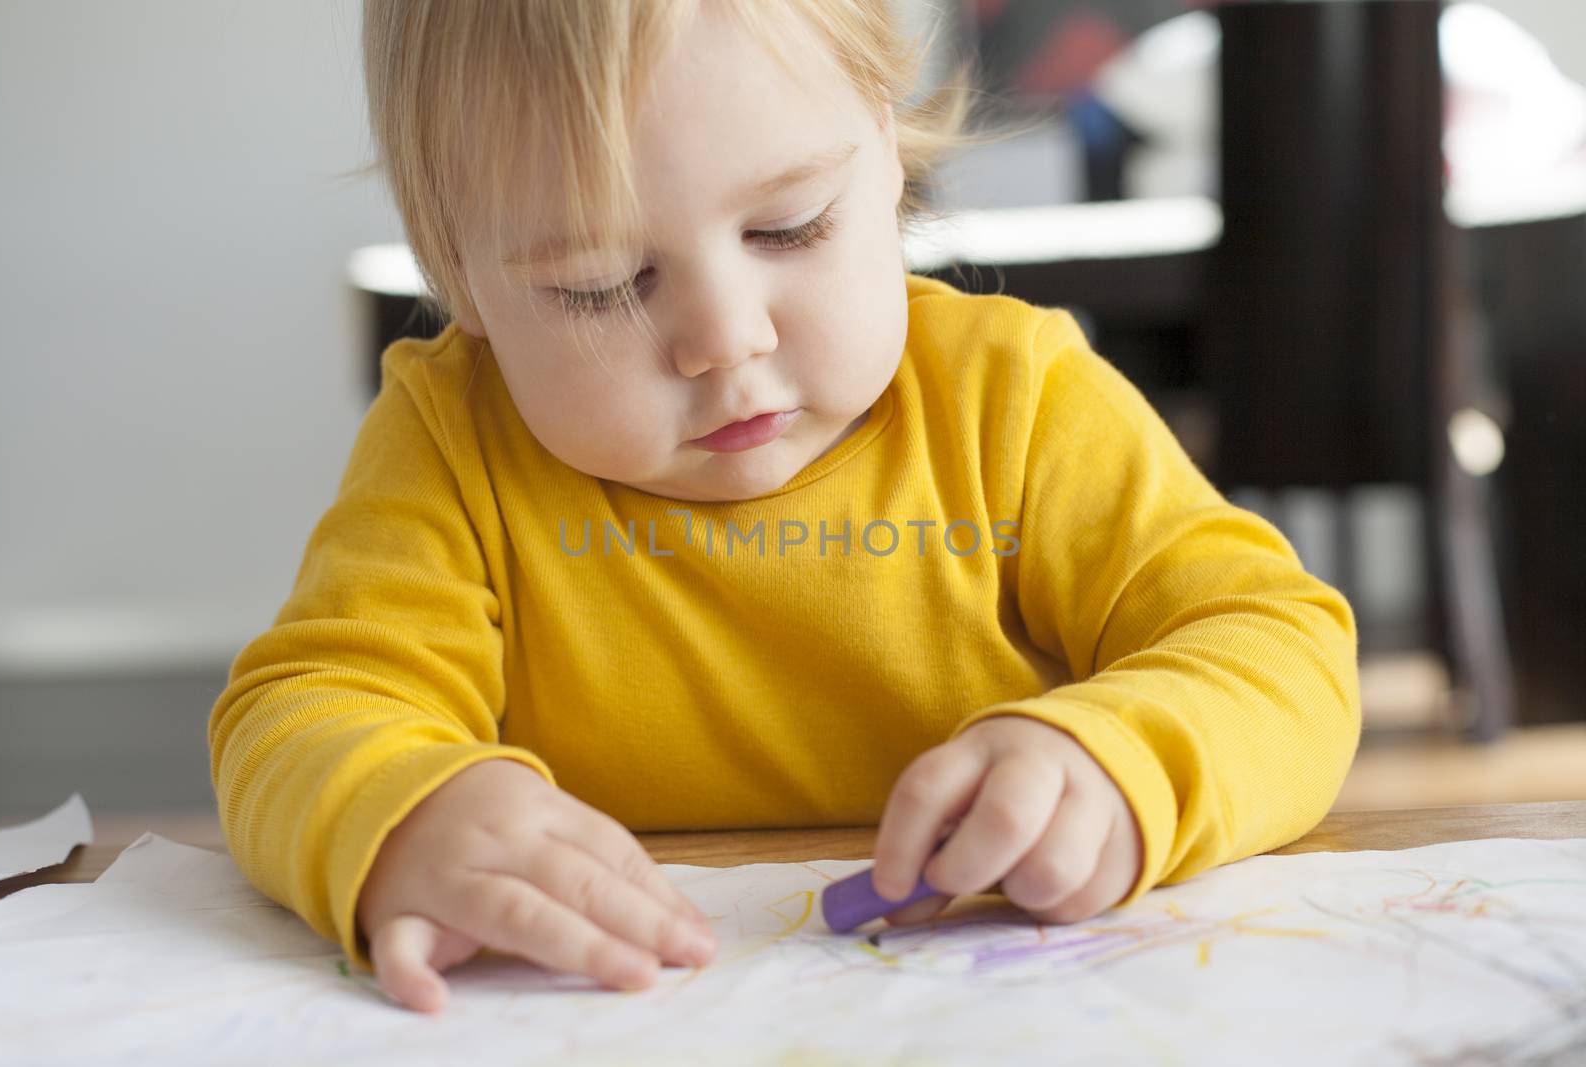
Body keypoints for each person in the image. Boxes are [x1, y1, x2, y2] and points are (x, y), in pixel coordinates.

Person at [208, 0, 1361, 1014]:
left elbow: (1277, 643)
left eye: (789, 227)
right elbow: (304, 705)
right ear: (463, 283)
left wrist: (1120, 762)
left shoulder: (1011, 397)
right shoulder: (454, 443)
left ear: (890, 160)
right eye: (601, 285)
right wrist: (403, 813)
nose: (726, 339)